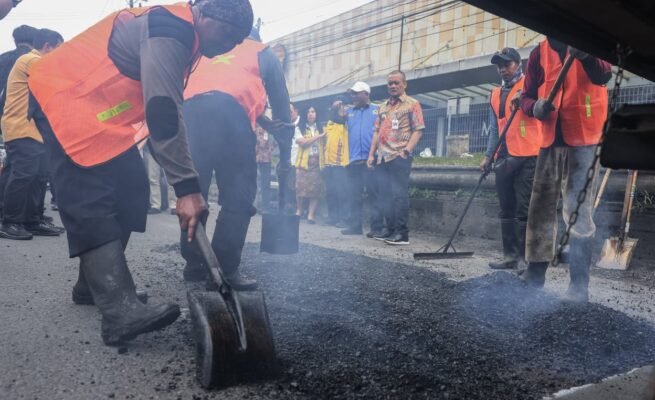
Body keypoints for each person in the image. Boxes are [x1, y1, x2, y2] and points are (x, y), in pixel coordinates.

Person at [27, 0, 254, 345]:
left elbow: (164, 112)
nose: (230, 45)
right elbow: (162, 110)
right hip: (67, 96)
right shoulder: (171, 29)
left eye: (237, 41)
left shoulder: (190, 41)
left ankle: (92, 286)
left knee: (131, 188)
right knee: (89, 196)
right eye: (227, 33)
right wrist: (187, 189)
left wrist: (182, 177)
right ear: (204, 14)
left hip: (99, 112)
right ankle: (119, 309)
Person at [180, 28, 292, 288]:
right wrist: (285, 155)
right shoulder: (263, 52)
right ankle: (225, 269)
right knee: (238, 196)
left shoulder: (206, 49)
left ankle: (195, 264)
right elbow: (282, 107)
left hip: (189, 116)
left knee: (194, 194)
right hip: (230, 119)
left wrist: (263, 121)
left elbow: (218, 92)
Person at [519, 37, 611, 302]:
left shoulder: (588, 40)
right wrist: (535, 107)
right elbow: (526, 96)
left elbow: (604, 75)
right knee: (540, 209)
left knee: (578, 210)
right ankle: (535, 274)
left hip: (583, 139)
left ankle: (579, 286)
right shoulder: (539, 53)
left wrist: (587, 57)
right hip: (550, 140)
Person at [480, 48, 541, 270]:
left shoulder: (531, 86)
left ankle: (525, 259)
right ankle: (510, 256)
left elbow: (545, 100)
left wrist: (525, 95)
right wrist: (488, 156)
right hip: (504, 155)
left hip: (528, 154)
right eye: (500, 66)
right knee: (506, 207)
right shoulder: (495, 94)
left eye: (507, 64)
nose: (503, 69)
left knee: (524, 209)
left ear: (518, 64)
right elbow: (495, 129)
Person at [0, 29, 63, 240]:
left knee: (38, 176)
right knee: (23, 175)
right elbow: (56, 83)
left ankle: (32, 220)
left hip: (34, 129)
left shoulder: (34, 61)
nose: (59, 54)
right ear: (47, 46)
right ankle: (10, 222)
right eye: (58, 49)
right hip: (22, 127)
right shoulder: (32, 60)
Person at [368, 70, 424, 245]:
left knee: (399, 195)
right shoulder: (382, 107)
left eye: (396, 83)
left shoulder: (412, 104)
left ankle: (402, 233)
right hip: (382, 157)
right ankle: (390, 229)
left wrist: (406, 150)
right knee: (385, 195)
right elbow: (376, 132)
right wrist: (371, 155)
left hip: (399, 155)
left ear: (404, 84)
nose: (393, 86)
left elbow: (418, 130)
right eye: (390, 83)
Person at [0, 25, 38, 218]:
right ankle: (14, 216)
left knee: (12, 166)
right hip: (23, 118)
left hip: (6, 115)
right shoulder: (32, 60)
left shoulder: (3, 58)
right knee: (23, 170)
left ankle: (5, 209)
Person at [342, 81, 383, 237]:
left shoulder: (377, 110)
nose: (353, 96)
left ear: (366, 94)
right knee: (353, 195)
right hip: (353, 160)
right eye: (352, 93)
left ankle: (377, 228)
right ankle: (355, 226)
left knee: (374, 195)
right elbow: (334, 117)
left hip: (371, 160)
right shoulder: (348, 112)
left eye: (356, 93)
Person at [295, 106, 325, 224]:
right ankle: (299, 211)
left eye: (313, 112)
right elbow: (303, 143)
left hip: (317, 161)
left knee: (315, 189)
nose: (310, 114)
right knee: (300, 188)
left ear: (316, 114)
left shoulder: (321, 128)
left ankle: (310, 215)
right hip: (304, 162)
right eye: (308, 112)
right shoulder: (299, 128)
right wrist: (319, 136)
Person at [322, 99, 349, 226]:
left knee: (342, 192)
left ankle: (344, 218)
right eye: (337, 106)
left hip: (341, 164)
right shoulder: (330, 123)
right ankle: (333, 217)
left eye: (341, 106)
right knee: (330, 191)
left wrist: (342, 112)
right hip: (329, 163)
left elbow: (342, 119)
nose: (339, 108)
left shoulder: (346, 123)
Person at [143, 141, 177, 215]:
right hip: (151, 149)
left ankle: (174, 205)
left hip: (167, 147)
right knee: (153, 178)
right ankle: (155, 205)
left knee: (170, 177)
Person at [255, 122, 275, 212]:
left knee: (265, 184)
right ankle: (255, 205)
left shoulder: (270, 129)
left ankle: (265, 206)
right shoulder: (253, 127)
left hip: (266, 159)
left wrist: (270, 149)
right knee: (255, 183)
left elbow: (274, 143)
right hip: (255, 158)